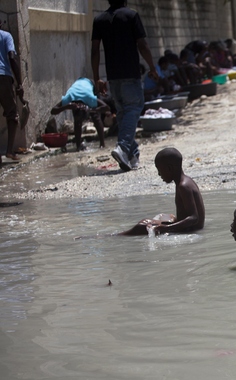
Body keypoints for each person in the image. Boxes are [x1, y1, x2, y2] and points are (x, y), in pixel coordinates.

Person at [91, 0, 158, 172]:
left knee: (123, 114)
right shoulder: (131, 15)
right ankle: (122, 148)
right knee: (133, 109)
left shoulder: (99, 19)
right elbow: (142, 45)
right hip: (130, 74)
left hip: (113, 77)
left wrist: (97, 78)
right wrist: (151, 67)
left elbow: (94, 51)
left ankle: (132, 155)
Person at [119, 148, 205, 236]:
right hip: (187, 227)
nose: (159, 174)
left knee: (142, 227)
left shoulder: (183, 186)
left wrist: (166, 228)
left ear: (169, 168)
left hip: (189, 230)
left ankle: (117, 237)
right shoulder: (186, 181)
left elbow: (194, 218)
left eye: (160, 170)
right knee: (147, 222)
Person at [50, 78, 110, 150]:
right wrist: (66, 107)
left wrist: (93, 110)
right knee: (77, 121)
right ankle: (78, 146)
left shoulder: (89, 98)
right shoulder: (68, 99)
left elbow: (106, 107)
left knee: (95, 116)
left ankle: (102, 144)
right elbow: (53, 111)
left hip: (89, 82)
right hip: (77, 84)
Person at [0, 23, 25, 164]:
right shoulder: (6, 36)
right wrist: (19, 82)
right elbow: (12, 56)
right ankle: (9, 150)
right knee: (12, 114)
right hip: (3, 77)